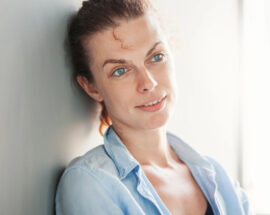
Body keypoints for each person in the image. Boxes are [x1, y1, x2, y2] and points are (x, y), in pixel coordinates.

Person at [55, 0, 253, 214]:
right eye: (120, 70)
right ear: (91, 86)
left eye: (156, 57)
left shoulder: (218, 177)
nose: (148, 82)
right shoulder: (91, 183)